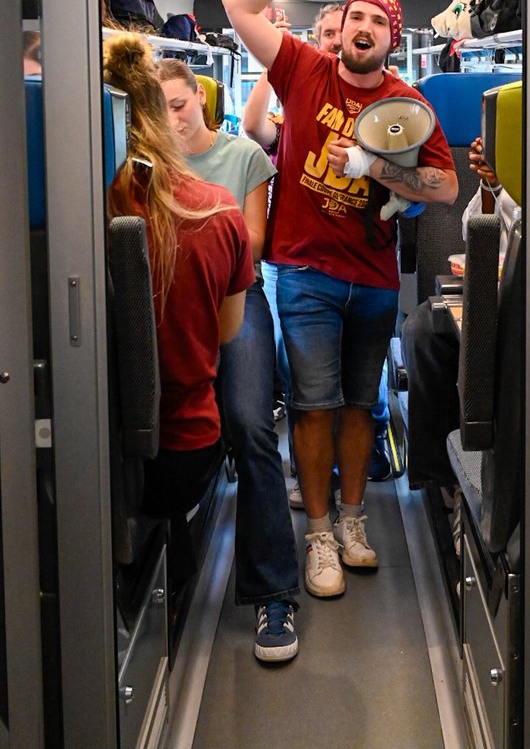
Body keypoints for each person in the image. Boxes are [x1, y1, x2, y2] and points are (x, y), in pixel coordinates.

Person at [222, 0, 458, 599]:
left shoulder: (407, 103)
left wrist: (377, 167)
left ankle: (355, 523)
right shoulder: (302, 67)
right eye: (354, 15)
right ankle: (319, 535)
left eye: (376, 21)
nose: (361, 27)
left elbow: (443, 187)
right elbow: (239, 7)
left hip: (374, 278)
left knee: (361, 405)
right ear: (341, 27)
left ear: (391, 38)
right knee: (312, 406)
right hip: (304, 274)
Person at [155, 57, 301, 663]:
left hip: (236, 294)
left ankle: (273, 589)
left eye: (180, 105)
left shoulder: (242, 158)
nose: (172, 119)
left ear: (202, 101)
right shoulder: (143, 162)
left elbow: (255, 242)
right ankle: (168, 568)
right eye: (157, 108)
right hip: (165, 298)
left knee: (249, 423)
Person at [102, 32, 254, 600]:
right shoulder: (217, 209)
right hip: (183, 449)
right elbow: (227, 332)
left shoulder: (78, 207)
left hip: (92, 448)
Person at [243, 1, 394, 502]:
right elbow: (254, 127)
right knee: (312, 395)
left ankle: (352, 477)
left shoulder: (389, 104)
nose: (336, 39)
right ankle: (314, 494)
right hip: (306, 266)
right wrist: (274, 67)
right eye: (328, 32)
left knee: (356, 398)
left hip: (367, 269)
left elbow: (420, 189)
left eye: (341, 30)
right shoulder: (303, 96)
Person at [401, 136, 518, 491]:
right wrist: (491, 185)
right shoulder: (510, 176)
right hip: (493, 292)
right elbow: (474, 233)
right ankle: (441, 477)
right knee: (422, 330)